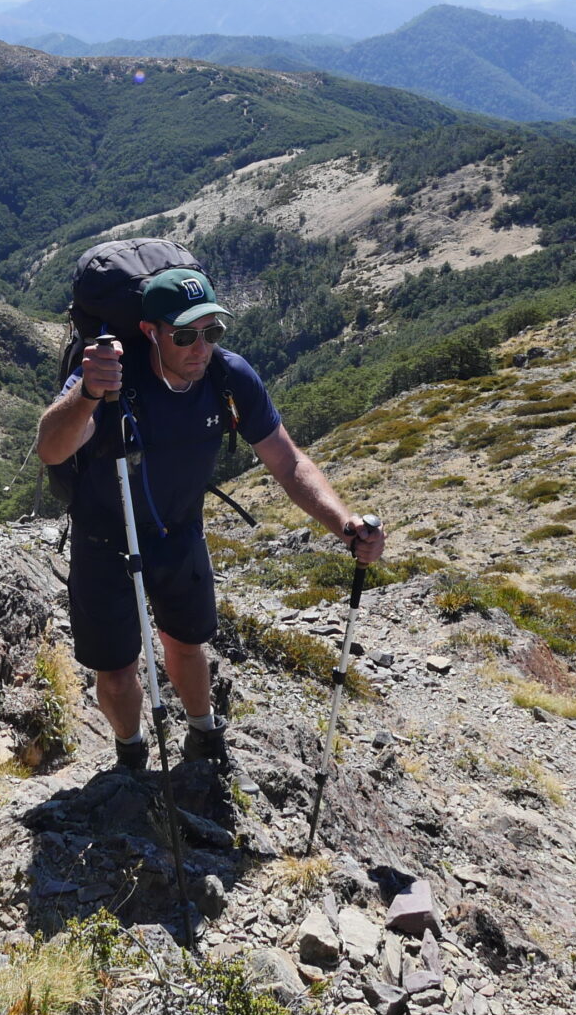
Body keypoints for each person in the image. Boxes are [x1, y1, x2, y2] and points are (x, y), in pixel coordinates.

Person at [34, 265, 387, 773]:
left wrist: (344, 525)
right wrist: (87, 393)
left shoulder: (228, 376)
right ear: (149, 332)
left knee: (187, 642)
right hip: (103, 537)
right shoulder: (109, 376)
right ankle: (131, 751)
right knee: (115, 668)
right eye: (184, 335)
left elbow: (288, 462)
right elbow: (51, 448)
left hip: (179, 532)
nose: (201, 347)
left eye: (211, 331)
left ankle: (203, 734)